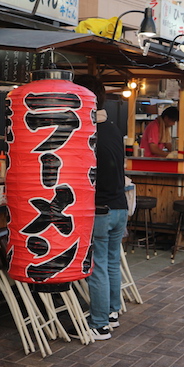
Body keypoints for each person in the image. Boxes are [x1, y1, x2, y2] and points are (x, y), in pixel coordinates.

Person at [74, 74, 128, 341]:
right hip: (120, 206)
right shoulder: (114, 129)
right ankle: (112, 312)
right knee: (112, 262)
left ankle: (99, 324)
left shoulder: (88, 132)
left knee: (96, 265)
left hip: (102, 210)